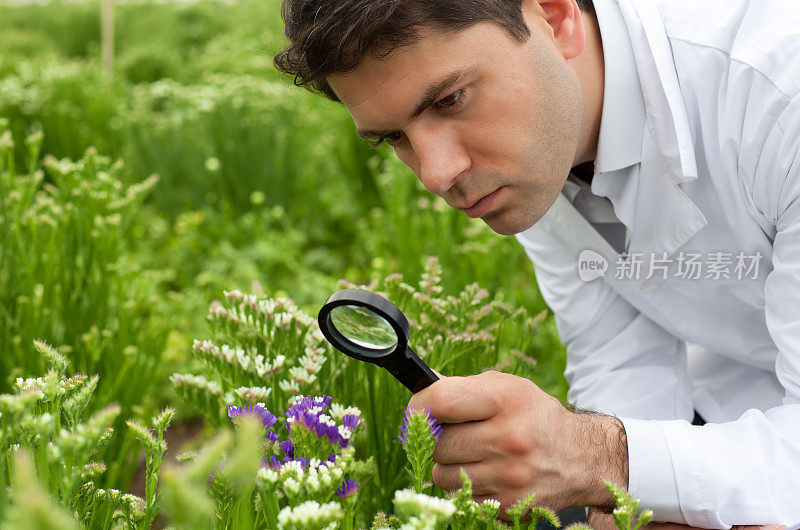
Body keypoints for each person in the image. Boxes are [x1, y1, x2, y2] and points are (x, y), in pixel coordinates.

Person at [273, 0, 800, 526]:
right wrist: (614, 502)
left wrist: (604, 459)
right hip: (741, 412)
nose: (437, 174)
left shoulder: (779, 94)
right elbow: (618, 352)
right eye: (394, 138)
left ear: (554, 16)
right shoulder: (539, 145)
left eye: (451, 99)